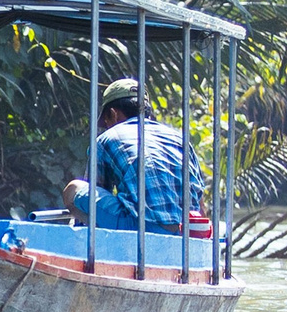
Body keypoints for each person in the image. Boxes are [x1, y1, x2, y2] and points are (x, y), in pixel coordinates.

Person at [64, 76, 202, 232]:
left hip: (143, 229)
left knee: (74, 189)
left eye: (106, 121)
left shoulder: (106, 139)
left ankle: (87, 243)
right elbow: (199, 199)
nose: (107, 126)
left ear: (113, 114)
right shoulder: (180, 139)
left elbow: (95, 192)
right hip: (187, 233)